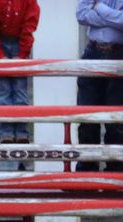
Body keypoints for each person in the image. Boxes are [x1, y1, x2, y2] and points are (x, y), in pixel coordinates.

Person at [0, 0, 41, 143]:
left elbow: (29, 24)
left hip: (20, 41)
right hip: (0, 41)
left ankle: (21, 133)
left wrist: (22, 53)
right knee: (4, 91)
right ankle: (6, 133)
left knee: (20, 91)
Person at [75, 0, 123, 172]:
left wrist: (98, 8)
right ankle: (87, 167)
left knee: (116, 119)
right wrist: (112, 17)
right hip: (93, 51)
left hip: (119, 53)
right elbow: (81, 15)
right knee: (87, 115)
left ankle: (115, 170)